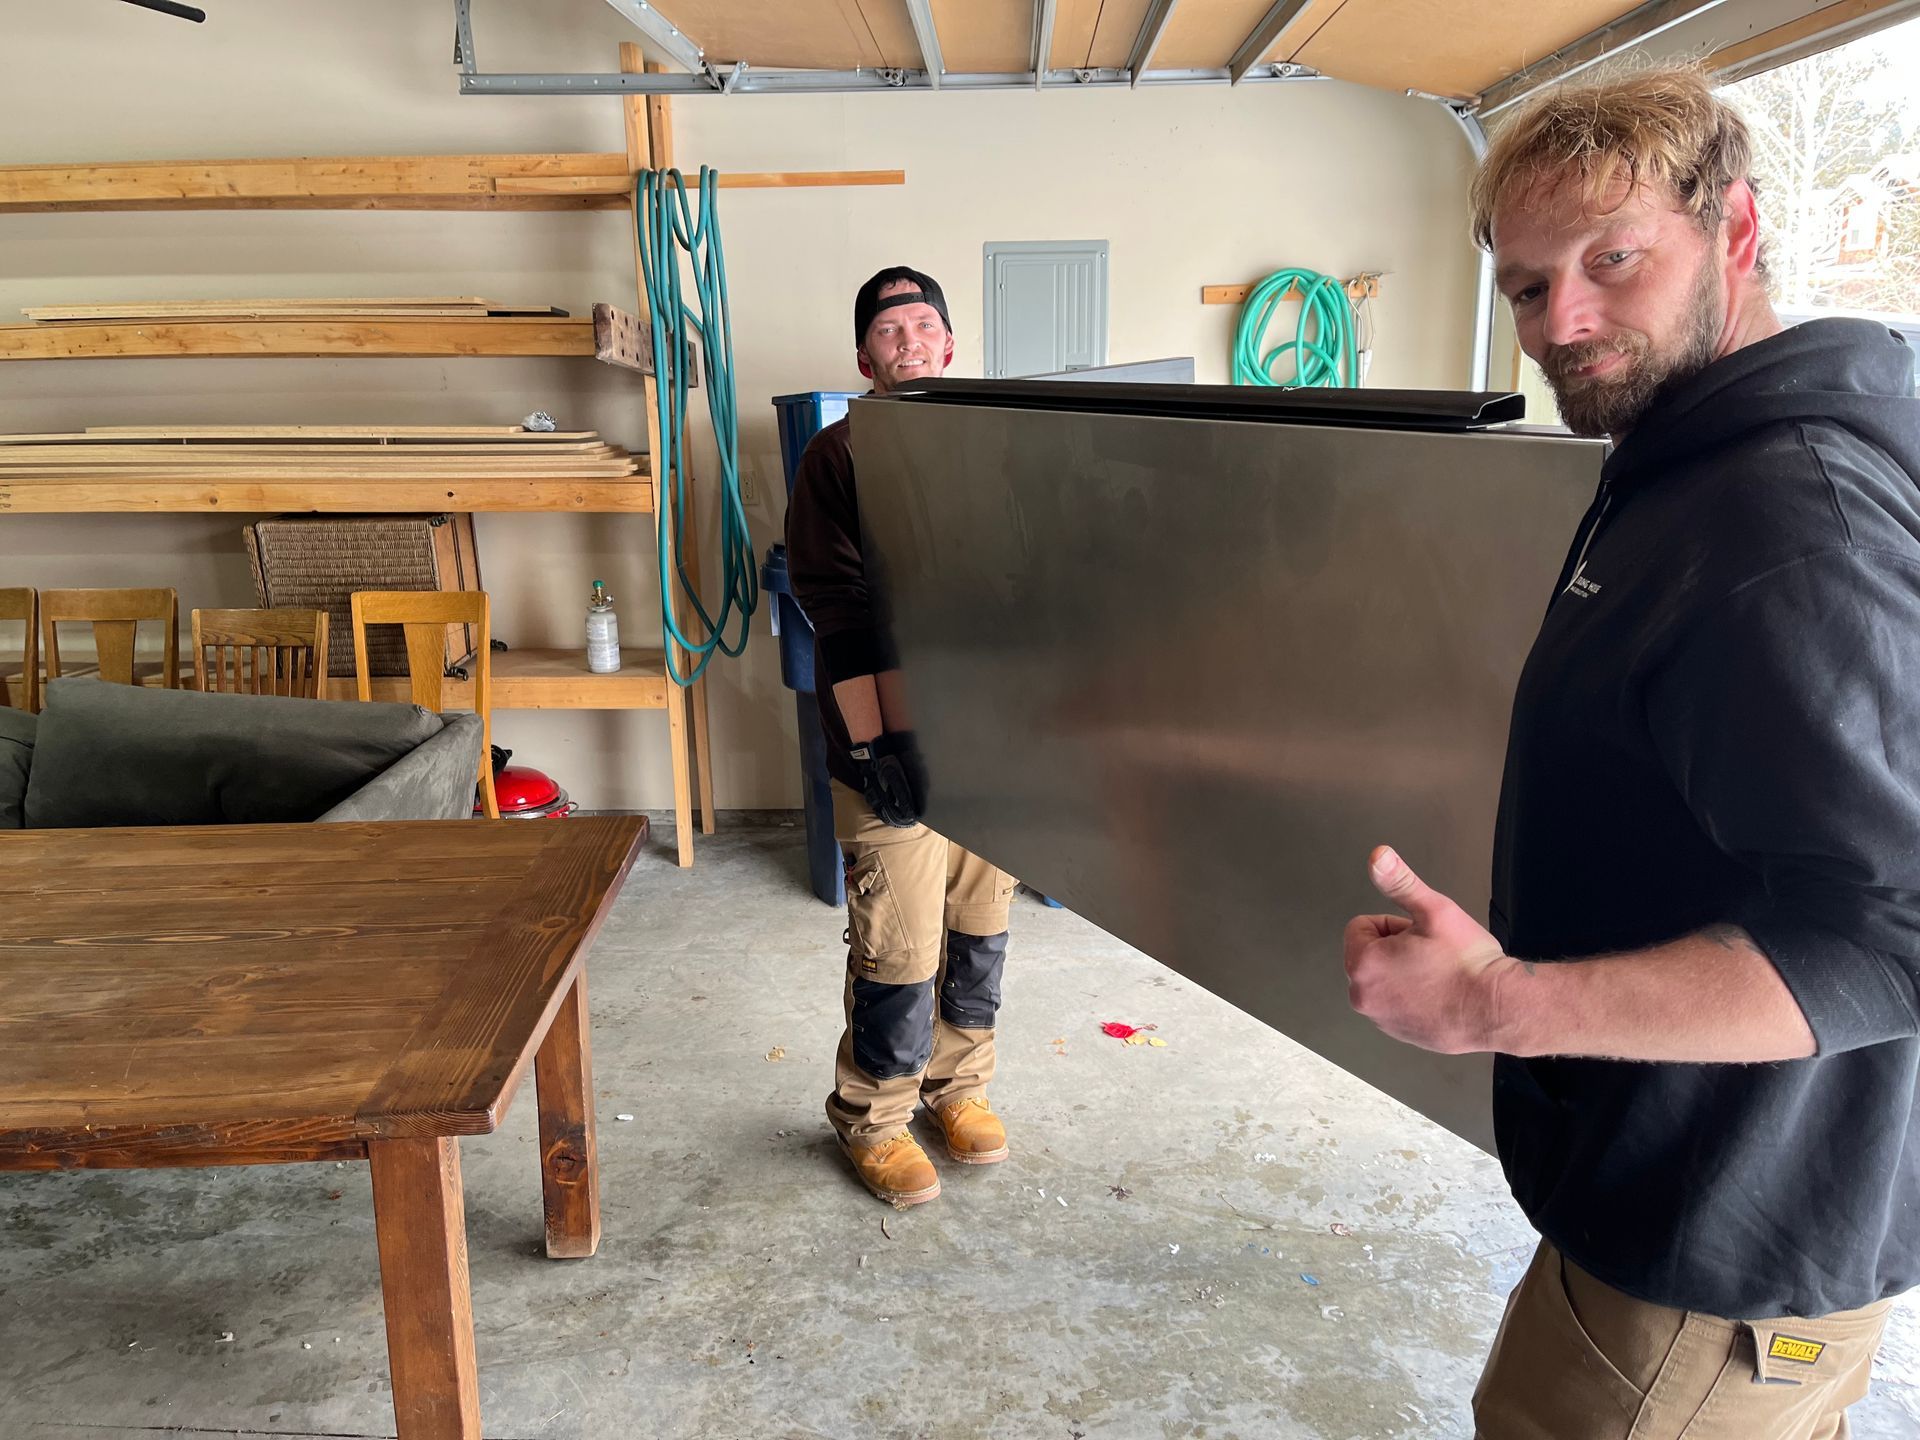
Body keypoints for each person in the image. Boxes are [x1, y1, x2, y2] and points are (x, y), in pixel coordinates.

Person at [1342, 65, 1920, 1437]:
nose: (1565, 322)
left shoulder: (1788, 531)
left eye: (1612, 259)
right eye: (1530, 289)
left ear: (1734, 230)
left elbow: (1900, 930)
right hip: (1701, 1217)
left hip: (1713, 1262)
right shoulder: (1694, 462)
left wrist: (1496, 1006)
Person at [785, 266, 1017, 1207]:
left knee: (980, 930)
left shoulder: (996, 451)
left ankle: (956, 1088)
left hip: (989, 742)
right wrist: (878, 747)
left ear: (952, 344)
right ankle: (875, 1115)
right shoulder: (838, 459)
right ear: (863, 360)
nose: (910, 339)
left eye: (925, 323)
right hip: (889, 749)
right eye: (890, 330)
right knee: (898, 947)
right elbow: (836, 612)